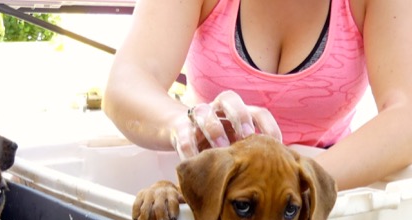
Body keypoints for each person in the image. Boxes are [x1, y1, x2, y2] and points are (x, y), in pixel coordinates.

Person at [103, 0, 412, 193]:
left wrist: (296, 180)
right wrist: (183, 123)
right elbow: (127, 82)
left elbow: (406, 112)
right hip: (214, 186)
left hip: (330, 193)